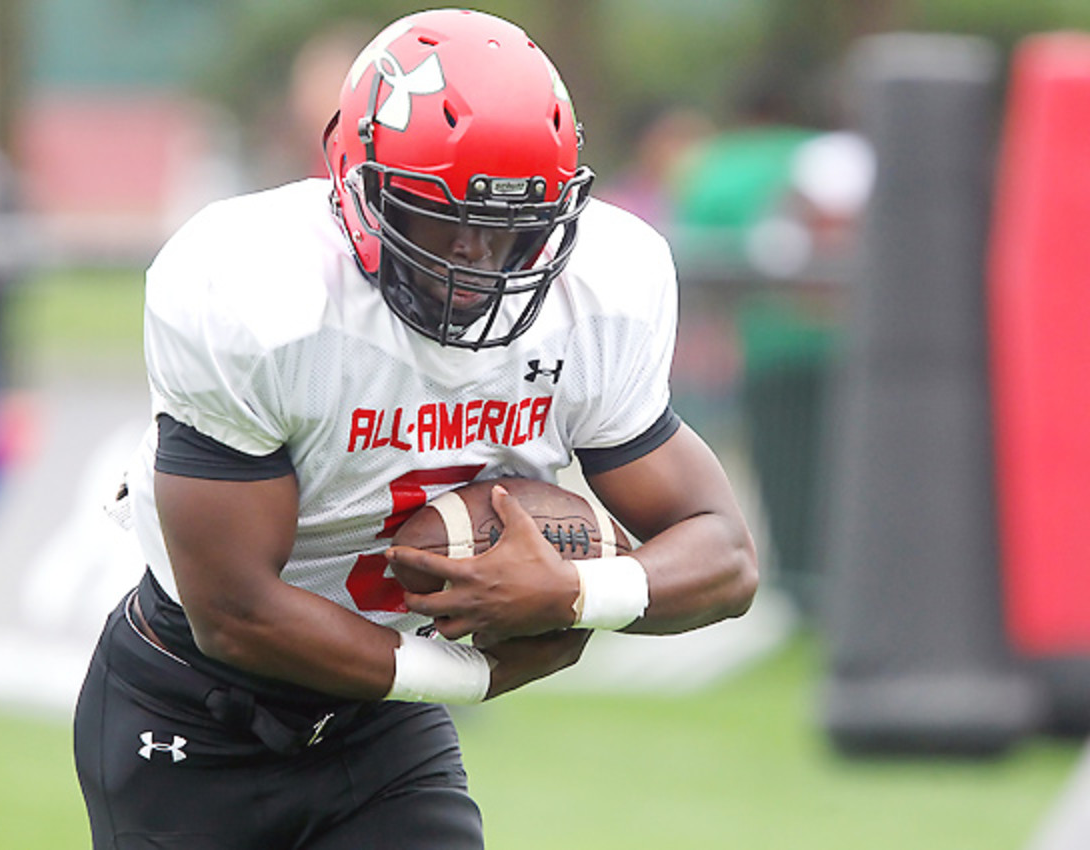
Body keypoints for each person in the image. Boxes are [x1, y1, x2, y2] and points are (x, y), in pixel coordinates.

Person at [74, 9, 758, 849]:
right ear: (358, 190)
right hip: (192, 710)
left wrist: (575, 594)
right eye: (446, 217)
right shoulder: (257, 291)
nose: (476, 255)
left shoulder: (604, 288)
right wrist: (464, 677)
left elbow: (724, 554)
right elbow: (234, 611)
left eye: (515, 225)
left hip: (379, 723)